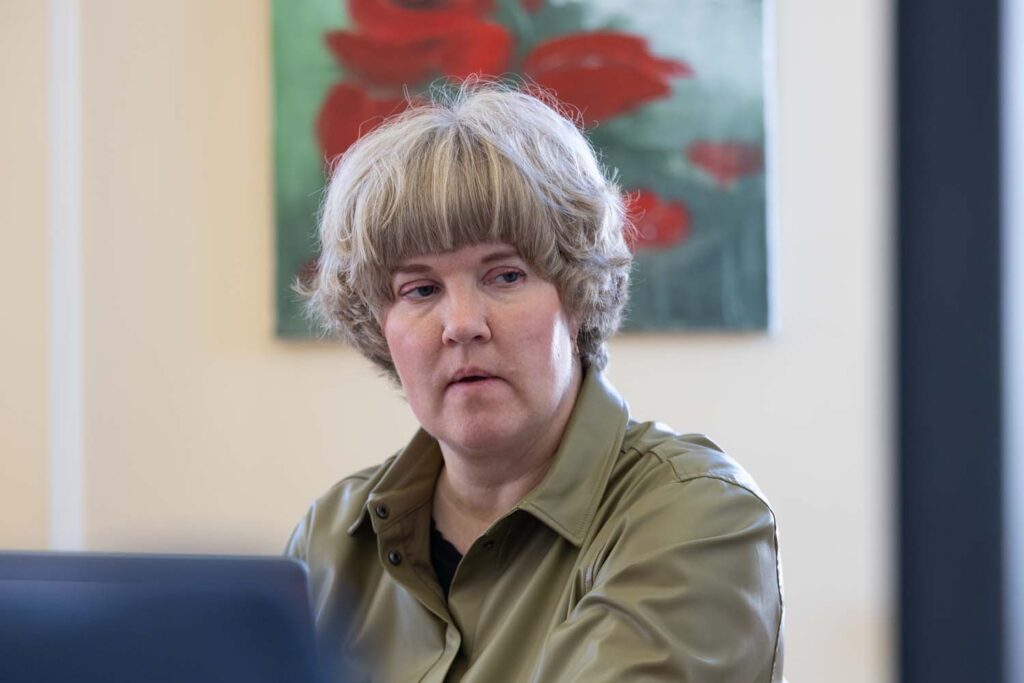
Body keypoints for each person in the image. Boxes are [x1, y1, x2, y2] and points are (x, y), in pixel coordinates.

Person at [287, 82, 784, 682]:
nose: (461, 324)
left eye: (505, 276)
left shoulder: (695, 513)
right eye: (420, 289)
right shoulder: (330, 539)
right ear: (378, 325)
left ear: (577, 294)